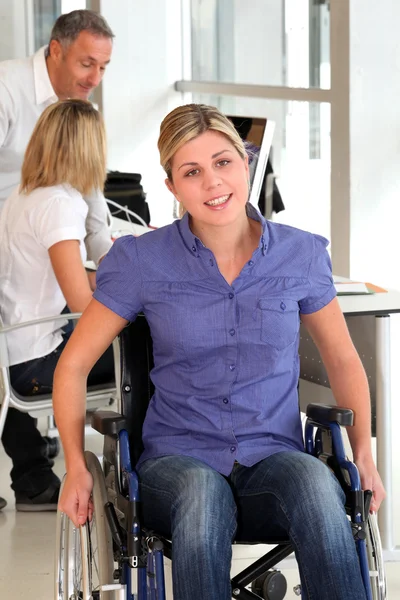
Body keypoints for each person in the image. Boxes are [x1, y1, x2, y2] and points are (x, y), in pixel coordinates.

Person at [54, 103, 385, 600]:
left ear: (246, 163)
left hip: (273, 457)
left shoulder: (302, 255)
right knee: (203, 495)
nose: (212, 183)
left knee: (317, 486)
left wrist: (363, 453)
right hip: (176, 464)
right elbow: (74, 363)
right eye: (192, 172)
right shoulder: (141, 261)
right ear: (172, 186)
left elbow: (341, 360)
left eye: (223, 162)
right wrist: (75, 464)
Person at [0, 99, 115, 511]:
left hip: (14, 348)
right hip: (36, 360)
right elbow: (83, 306)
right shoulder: (60, 204)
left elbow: (59, 276)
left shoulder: (24, 194)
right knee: (150, 353)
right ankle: (143, 472)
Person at [0, 9, 114, 264]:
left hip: (51, 252)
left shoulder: (82, 107)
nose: (95, 79)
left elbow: (92, 203)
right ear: (56, 50)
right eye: (86, 64)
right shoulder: (5, 88)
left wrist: (112, 265)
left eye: (103, 68)